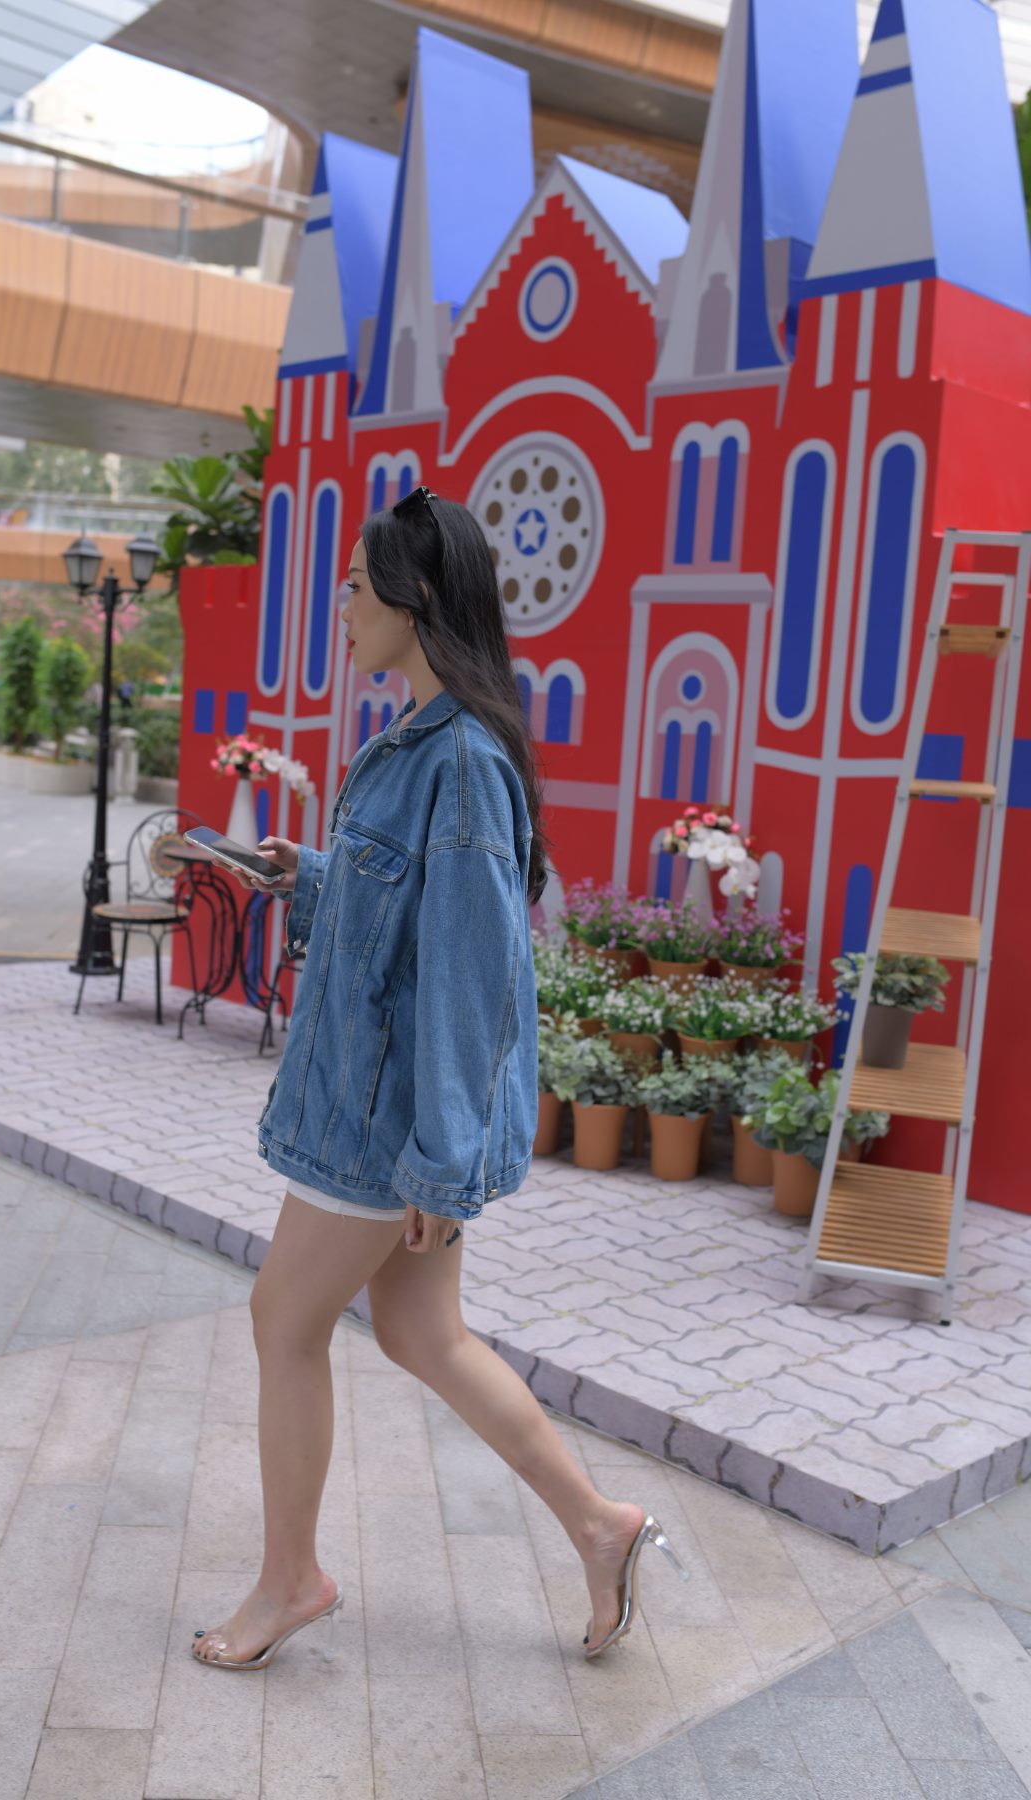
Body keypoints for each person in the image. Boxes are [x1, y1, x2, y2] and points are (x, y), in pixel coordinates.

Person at [192, 488, 685, 1674]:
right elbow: (406, 913)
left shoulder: (459, 760)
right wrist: (310, 874)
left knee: (283, 1320)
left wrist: (439, 1165)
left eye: (358, 585)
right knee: (423, 1333)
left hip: (385, 1123)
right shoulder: (420, 738)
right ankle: (602, 1526)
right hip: (385, 1108)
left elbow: (470, 979)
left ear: (415, 599)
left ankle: (291, 1580)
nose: (343, 604)